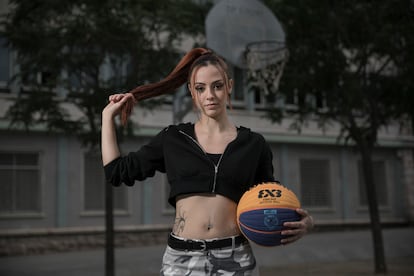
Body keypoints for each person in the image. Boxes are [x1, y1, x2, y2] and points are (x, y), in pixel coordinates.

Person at [101, 48, 314, 276]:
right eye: (201, 88)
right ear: (192, 91)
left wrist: (306, 222)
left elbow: (270, 198)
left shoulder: (253, 144)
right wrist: (106, 118)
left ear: (229, 86)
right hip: (182, 260)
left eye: (217, 86)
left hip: (235, 258)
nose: (210, 95)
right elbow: (117, 172)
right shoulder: (173, 138)